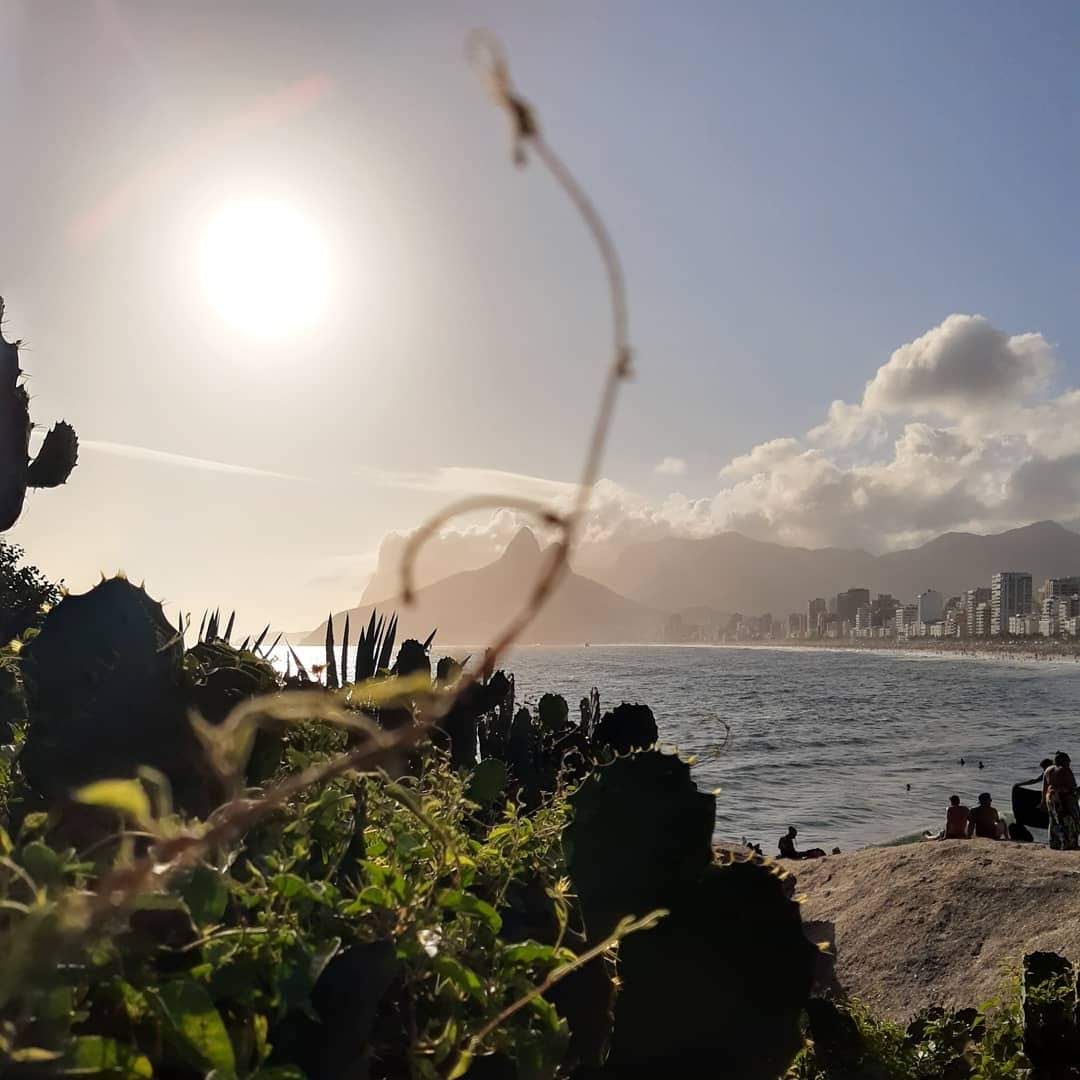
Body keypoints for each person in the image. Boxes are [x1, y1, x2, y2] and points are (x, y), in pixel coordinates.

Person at [1043, 751, 1080, 851]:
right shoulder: (1065, 770)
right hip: (1063, 799)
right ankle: (1071, 843)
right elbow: (1072, 788)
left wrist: (1043, 802)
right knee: (1073, 820)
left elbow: (1045, 788)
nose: (1069, 762)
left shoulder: (1048, 770)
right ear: (1063, 761)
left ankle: (1054, 843)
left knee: (1054, 821)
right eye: (1068, 761)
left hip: (1050, 798)